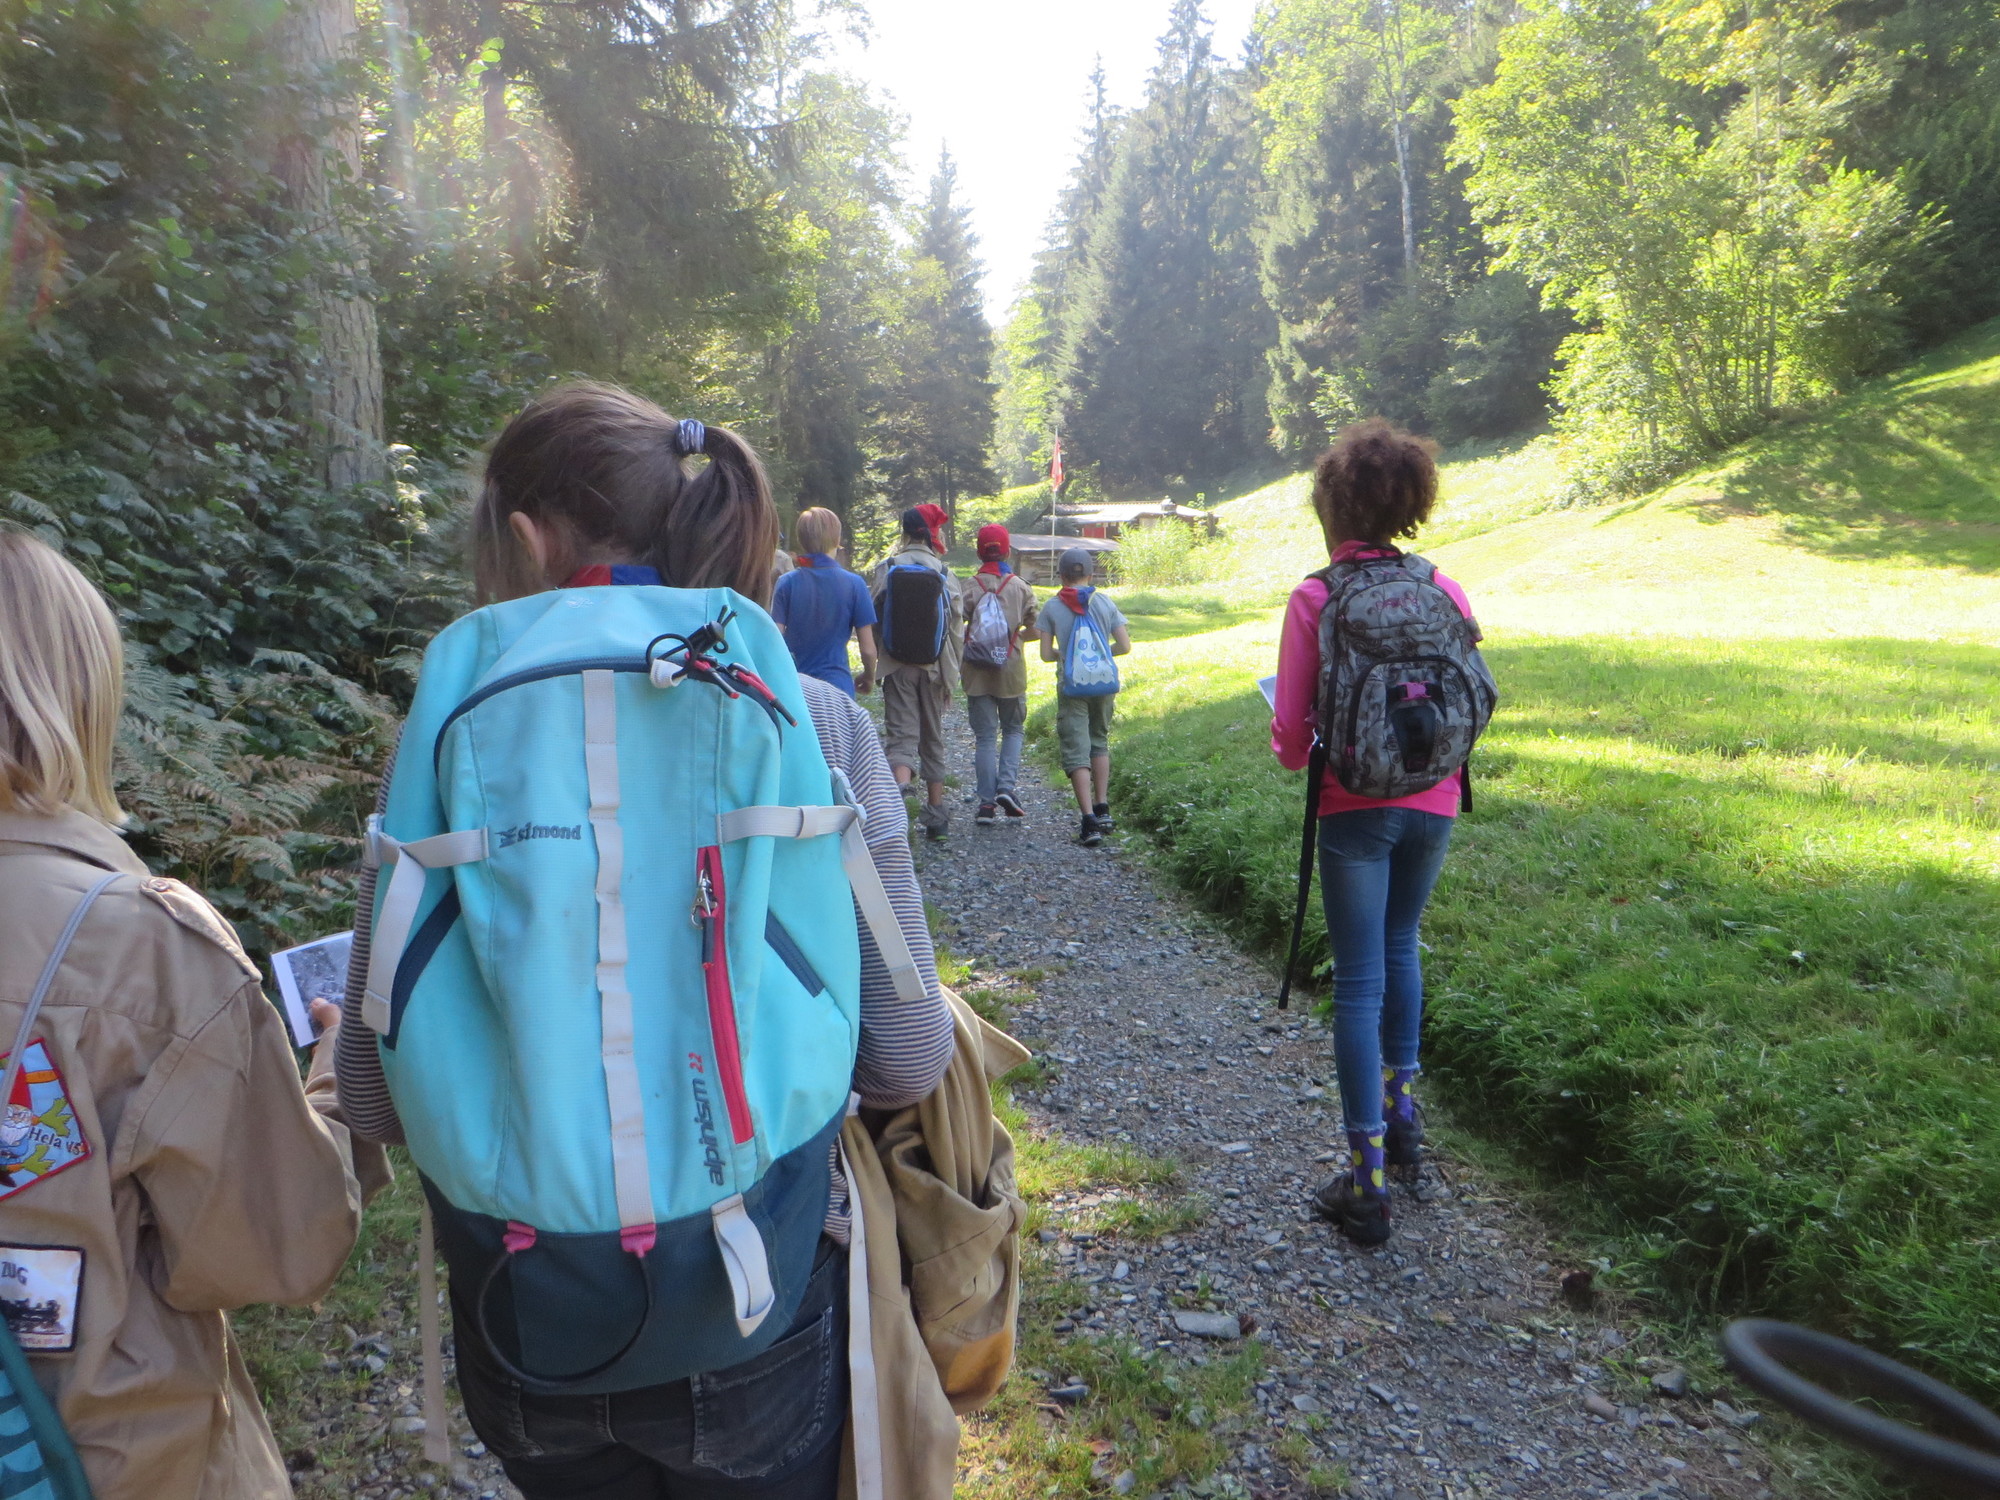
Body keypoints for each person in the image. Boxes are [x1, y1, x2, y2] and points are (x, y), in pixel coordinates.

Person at [336, 382, 954, 1500]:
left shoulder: (439, 739)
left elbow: (374, 1101)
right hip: (756, 1296)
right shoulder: (813, 719)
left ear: (526, 537)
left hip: (527, 1314)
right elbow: (907, 1058)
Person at [0, 529, 386, 1500]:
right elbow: (279, 1244)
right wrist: (339, 1078)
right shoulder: (135, 945)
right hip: (117, 1462)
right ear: (75, 692)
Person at [1268, 419, 1476, 1248]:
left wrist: (1299, 738)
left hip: (1353, 807)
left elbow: (1293, 744)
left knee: (1357, 983)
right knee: (1402, 945)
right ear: (1408, 504)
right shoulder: (1443, 586)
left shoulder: (1316, 598)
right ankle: (1403, 1116)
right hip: (1437, 797)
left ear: (1333, 506)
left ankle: (1366, 1181)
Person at [869, 507, 963, 841]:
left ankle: (899, 807)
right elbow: (955, 633)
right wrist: (950, 679)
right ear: (931, 535)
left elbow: (873, 619)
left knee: (900, 735)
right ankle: (936, 816)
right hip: (934, 667)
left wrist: (878, 662)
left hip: (897, 665)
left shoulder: (887, 568)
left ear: (906, 533)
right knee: (932, 738)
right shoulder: (945, 572)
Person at [1036, 547, 1130, 847]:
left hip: (1072, 687)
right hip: (1103, 683)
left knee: (1077, 749)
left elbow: (1045, 654)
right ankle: (1103, 808)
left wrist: (1069, 657)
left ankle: (1088, 820)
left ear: (1061, 576)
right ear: (1091, 574)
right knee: (1099, 741)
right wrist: (1100, 656)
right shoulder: (1104, 602)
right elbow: (1125, 646)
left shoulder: (1052, 607)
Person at [958, 524, 1038, 827]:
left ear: (979, 552)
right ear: (1007, 552)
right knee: (1013, 729)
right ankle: (1006, 787)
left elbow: (956, 626)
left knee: (985, 737)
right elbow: (1036, 628)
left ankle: (986, 805)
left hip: (976, 670)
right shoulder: (1020, 587)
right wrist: (1012, 639)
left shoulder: (970, 586)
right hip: (1010, 670)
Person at [772, 507, 878, 696]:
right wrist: (869, 677)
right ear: (837, 540)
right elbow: (868, 650)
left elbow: (775, 639)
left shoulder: (786, 583)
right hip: (837, 687)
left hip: (796, 687)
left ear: (801, 540)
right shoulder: (855, 584)